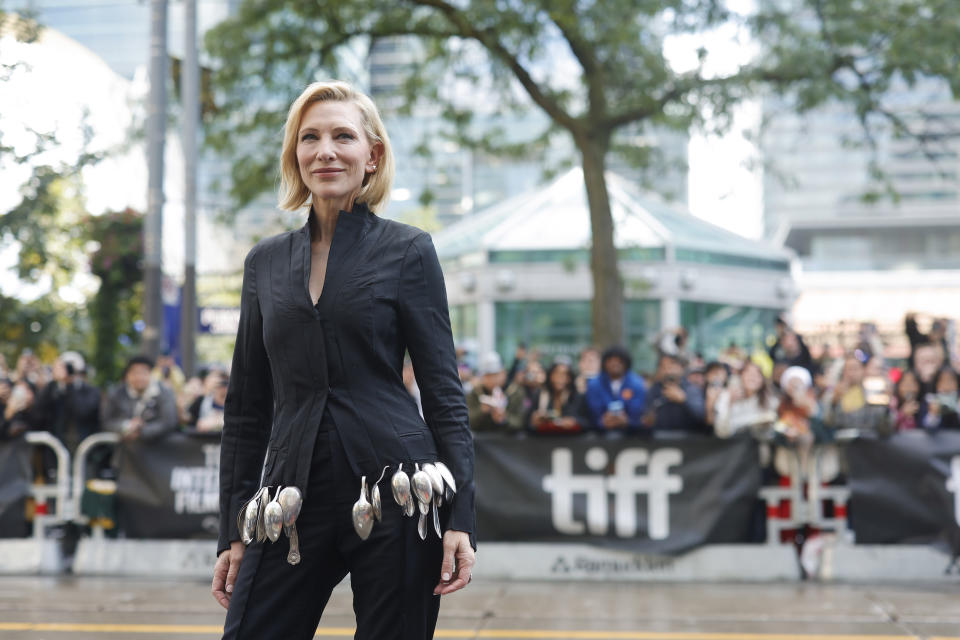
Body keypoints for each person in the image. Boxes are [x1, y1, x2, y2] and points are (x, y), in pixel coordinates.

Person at [212, 81, 476, 640]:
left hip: (400, 489)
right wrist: (232, 529)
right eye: (310, 138)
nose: (325, 150)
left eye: (343, 136)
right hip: (288, 494)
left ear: (372, 155)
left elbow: (443, 390)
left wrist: (461, 521)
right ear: (296, 156)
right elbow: (246, 406)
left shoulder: (408, 250)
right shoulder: (264, 262)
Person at [101, 355, 178, 442]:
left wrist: (141, 431)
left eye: (143, 372)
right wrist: (127, 426)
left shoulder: (164, 393)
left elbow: (169, 422)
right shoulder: (116, 393)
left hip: (156, 447)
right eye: (135, 373)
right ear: (127, 375)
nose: (139, 377)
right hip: (122, 447)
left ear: (150, 373)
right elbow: (106, 421)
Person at [585, 346, 646, 433]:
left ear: (626, 363)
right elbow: (592, 412)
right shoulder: (594, 384)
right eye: (610, 361)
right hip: (600, 435)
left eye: (619, 361)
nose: (615, 364)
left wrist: (626, 421)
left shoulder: (637, 383)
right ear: (604, 363)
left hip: (629, 435)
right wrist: (603, 421)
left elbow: (638, 411)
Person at [642, 353, 706, 433]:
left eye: (672, 366)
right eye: (663, 367)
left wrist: (684, 400)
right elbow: (645, 418)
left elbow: (702, 417)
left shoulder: (691, 389)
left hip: (688, 441)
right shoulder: (654, 390)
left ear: (681, 369)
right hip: (660, 440)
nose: (668, 370)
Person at [466, 351, 524, 432]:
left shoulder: (515, 392)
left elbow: (521, 422)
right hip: (481, 440)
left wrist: (504, 418)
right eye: (488, 375)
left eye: (495, 374)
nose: (492, 379)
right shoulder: (475, 393)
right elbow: (467, 421)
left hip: (509, 441)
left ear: (503, 373)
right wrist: (482, 411)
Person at [529, 359, 583, 433]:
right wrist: (534, 421)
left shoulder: (575, 396)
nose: (560, 378)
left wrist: (574, 421)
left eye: (564, 374)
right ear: (550, 376)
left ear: (569, 378)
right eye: (556, 374)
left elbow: (586, 422)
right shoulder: (539, 394)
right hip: (544, 439)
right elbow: (527, 424)